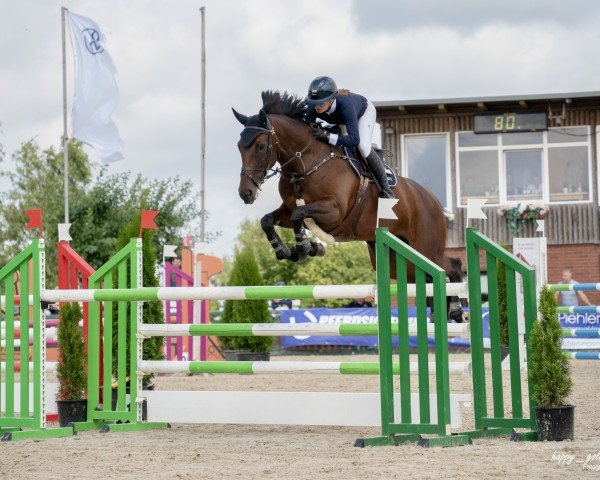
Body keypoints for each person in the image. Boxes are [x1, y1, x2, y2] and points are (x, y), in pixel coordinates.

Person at [304, 75, 395, 199]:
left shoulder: (346, 106)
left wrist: (327, 135)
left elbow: (354, 140)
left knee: (362, 146)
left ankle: (386, 190)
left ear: (331, 99)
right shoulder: (314, 106)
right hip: (339, 119)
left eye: (321, 102)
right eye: (314, 103)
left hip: (363, 113)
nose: (317, 106)